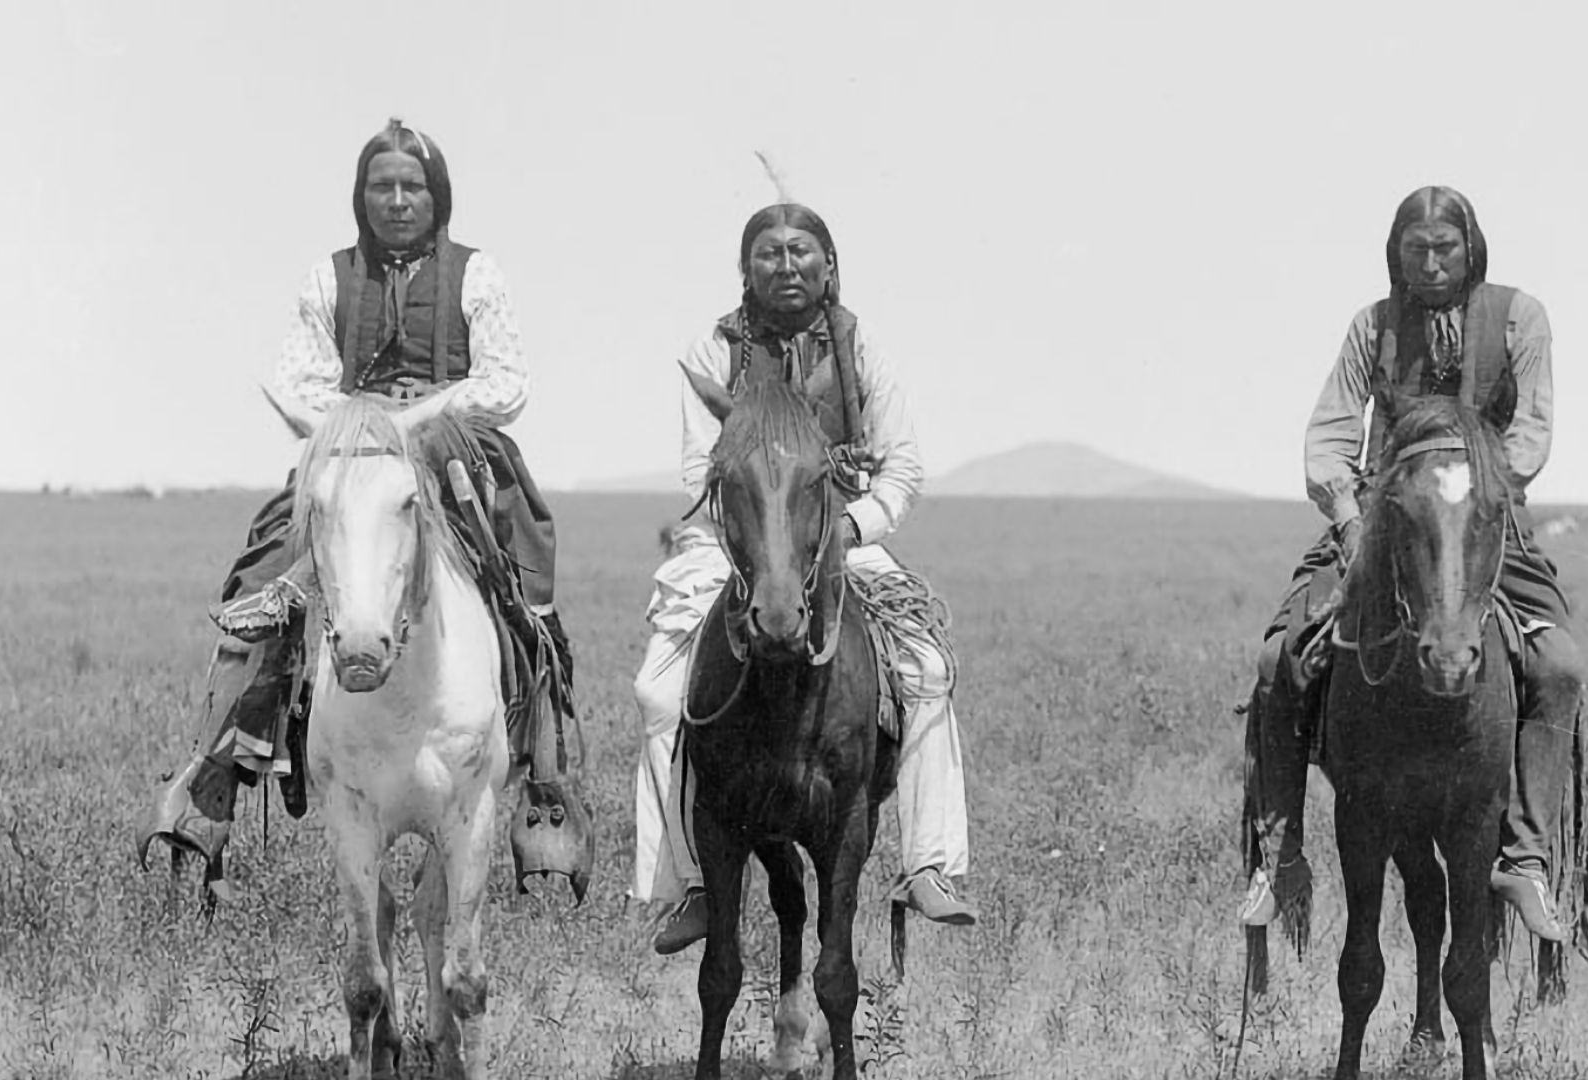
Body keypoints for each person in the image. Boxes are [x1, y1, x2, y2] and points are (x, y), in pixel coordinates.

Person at [137, 118, 561, 874]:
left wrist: (427, 416)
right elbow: (296, 378)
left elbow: (507, 381)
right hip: (349, 448)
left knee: (519, 577)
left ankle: (545, 784)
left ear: (438, 198)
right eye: (381, 187)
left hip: (451, 445)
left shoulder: (477, 275)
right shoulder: (328, 278)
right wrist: (359, 425)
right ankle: (217, 772)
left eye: (413, 188)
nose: (397, 201)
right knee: (265, 573)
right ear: (360, 196)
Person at [631, 203, 977, 954]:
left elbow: (903, 464)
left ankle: (929, 864)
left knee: (926, 669)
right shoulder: (714, 349)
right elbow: (702, 471)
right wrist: (757, 545)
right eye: (768, 253)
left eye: (801, 251)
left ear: (828, 263)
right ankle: (684, 882)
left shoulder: (860, 345)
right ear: (745, 267)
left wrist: (852, 526)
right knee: (658, 692)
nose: (785, 265)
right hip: (738, 545)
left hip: (844, 536)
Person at [1239, 185, 1582, 942]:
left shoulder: (1521, 317)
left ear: (1472, 248)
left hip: (1482, 517)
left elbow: (1531, 433)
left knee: (1557, 666)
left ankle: (1523, 858)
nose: (1430, 264)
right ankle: (1281, 855)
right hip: (1382, 519)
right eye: (1414, 250)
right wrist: (1351, 517)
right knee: (1279, 661)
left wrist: (1481, 496)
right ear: (1396, 254)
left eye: (1445, 249)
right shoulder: (1372, 327)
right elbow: (1329, 434)